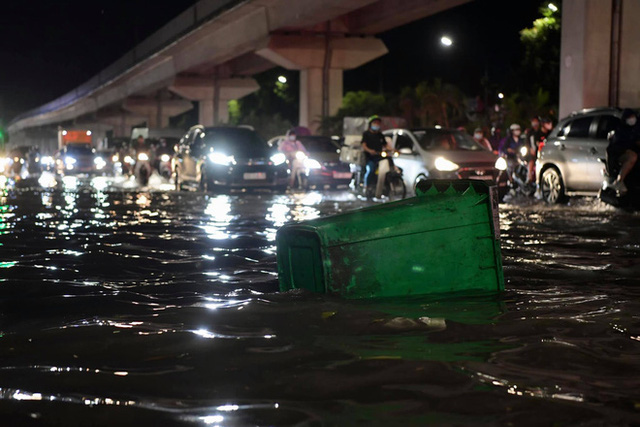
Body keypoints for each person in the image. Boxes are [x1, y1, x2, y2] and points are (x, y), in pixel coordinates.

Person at [608, 108, 640, 194]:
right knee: (632, 157)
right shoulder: (621, 131)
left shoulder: (636, 128)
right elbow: (619, 146)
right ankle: (619, 181)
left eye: (633, 116)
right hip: (619, 155)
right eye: (630, 117)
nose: (632, 119)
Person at [361, 115, 390, 196]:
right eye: (375, 123)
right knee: (371, 169)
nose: (377, 125)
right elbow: (364, 145)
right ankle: (366, 187)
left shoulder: (380, 135)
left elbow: (385, 145)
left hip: (379, 156)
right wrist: (370, 151)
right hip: (370, 157)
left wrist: (392, 150)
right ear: (370, 124)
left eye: (378, 123)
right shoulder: (366, 134)